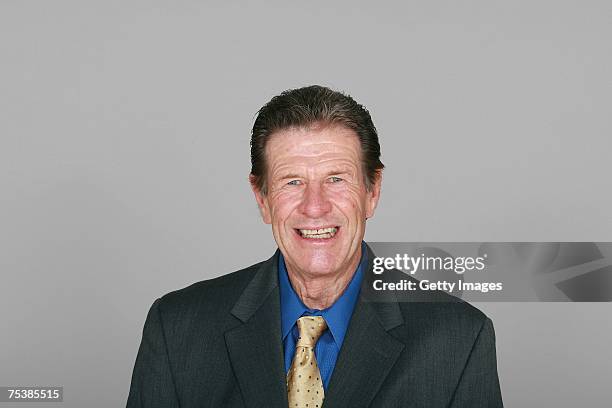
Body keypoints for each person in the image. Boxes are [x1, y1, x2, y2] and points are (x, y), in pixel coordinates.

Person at [126, 85, 504, 407]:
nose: (315, 206)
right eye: (292, 182)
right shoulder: (177, 329)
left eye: (336, 179)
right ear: (262, 199)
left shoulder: (458, 340)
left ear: (372, 192)